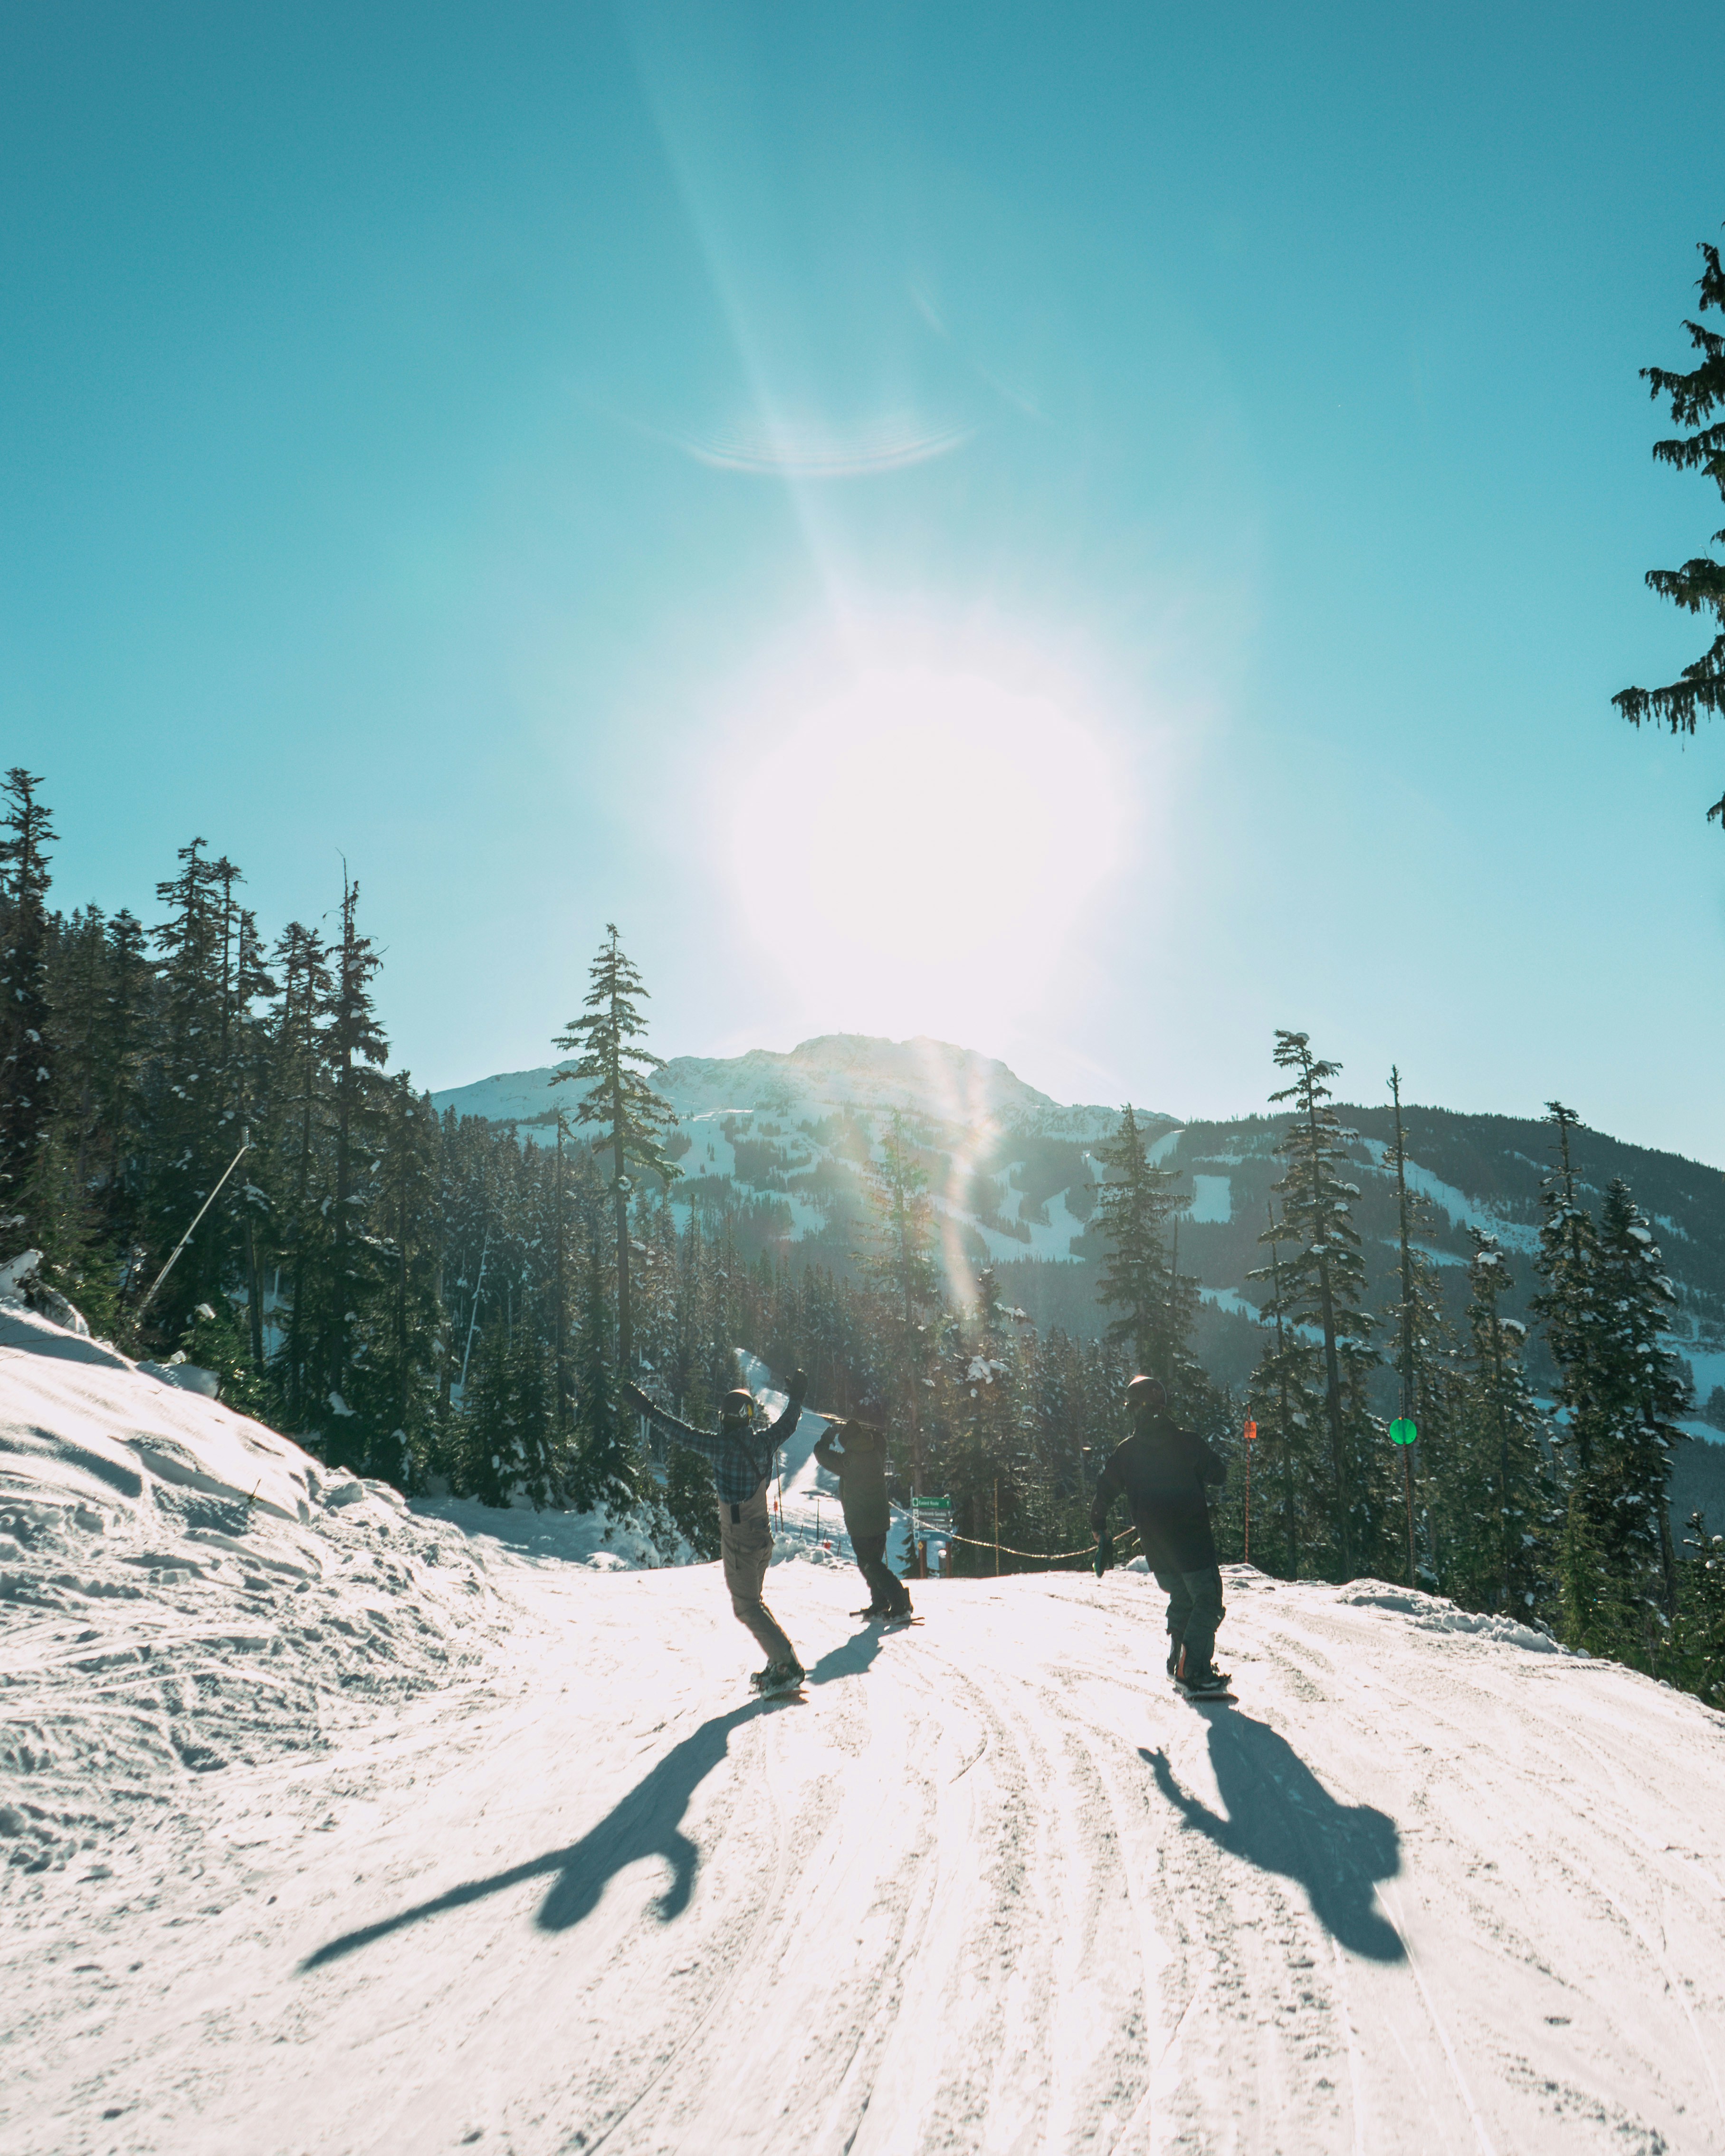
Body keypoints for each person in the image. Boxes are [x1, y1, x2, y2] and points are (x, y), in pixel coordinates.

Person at [623, 1368, 808, 1695]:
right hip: (761, 1537)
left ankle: (786, 1664)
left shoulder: (721, 1448)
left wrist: (646, 1409)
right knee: (755, 1601)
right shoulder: (764, 1442)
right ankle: (779, 1657)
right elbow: (789, 1423)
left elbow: (680, 1433)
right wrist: (797, 1397)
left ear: (725, 1418)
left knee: (746, 1606)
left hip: (740, 1540)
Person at [1090, 1374, 1230, 1695]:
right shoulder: (1188, 1442)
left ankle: (1176, 1662)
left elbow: (1102, 1494)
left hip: (1157, 1550)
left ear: (1133, 1410)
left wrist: (1100, 1531)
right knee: (1206, 1601)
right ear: (1162, 1405)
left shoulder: (1125, 1452)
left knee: (1181, 1597)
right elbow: (1219, 1474)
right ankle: (1192, 1670)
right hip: (1193, 1543)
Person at [812, 1411, 912, 1620]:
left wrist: (829, 1434)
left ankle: (900, 1601)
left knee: (870, 1565)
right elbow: (880, 1439)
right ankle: (881, 1602)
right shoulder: (876, 1453)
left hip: (863, 1525)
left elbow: (821, 1454)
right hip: (880, 1521)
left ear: (848, 1442)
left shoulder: (849, 1461)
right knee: (873, 1564)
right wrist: (859, 1430)